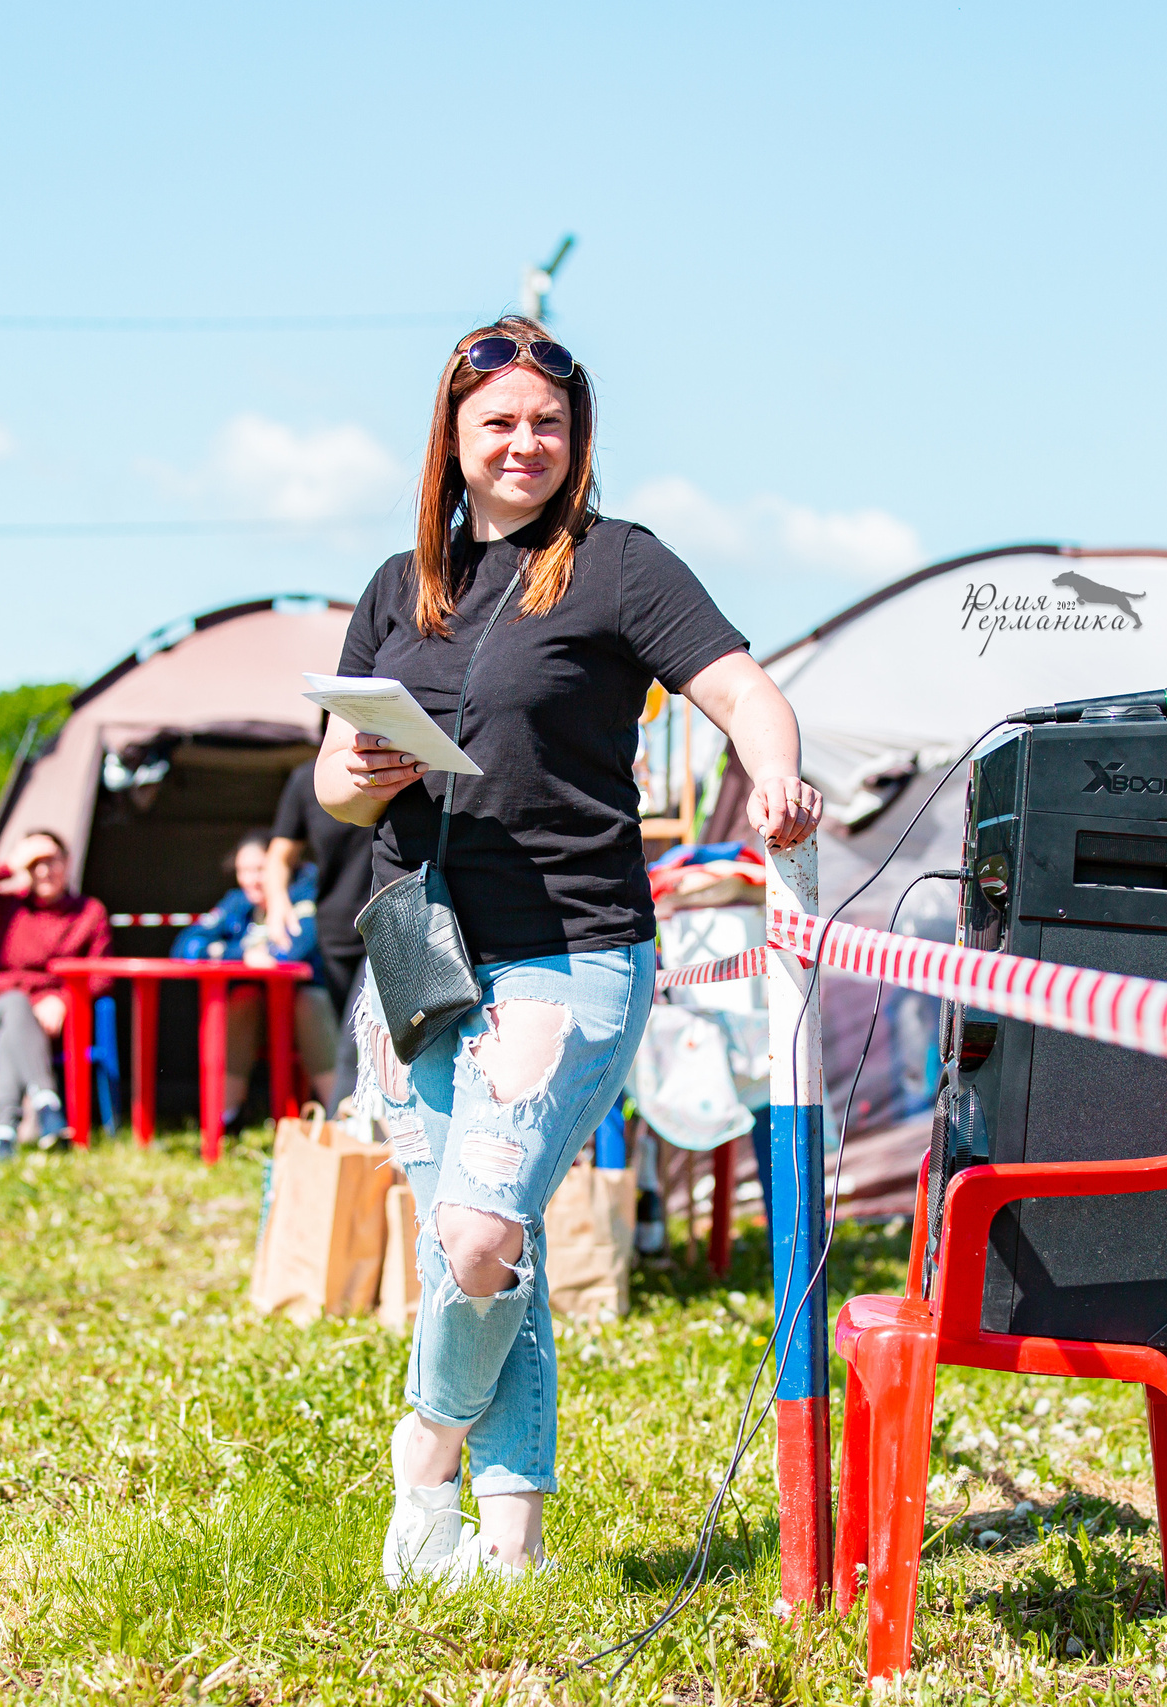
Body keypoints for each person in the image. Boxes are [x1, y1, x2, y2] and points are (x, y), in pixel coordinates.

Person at [316, 317, 822, 1584]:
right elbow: (330, 783)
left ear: (576, 439)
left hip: (569, 955)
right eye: (497, 423)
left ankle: (423, 1449)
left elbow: (746, 691)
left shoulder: (620, 567)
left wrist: (779, 778)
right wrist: (358, 772)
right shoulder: (400, 587)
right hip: (421, 958)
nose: (522, 443)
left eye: (546, 423)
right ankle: (509, 1548)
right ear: (453, 440)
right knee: (477, 1254)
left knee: (481, 1229)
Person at [0, 829, 111, 1156]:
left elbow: (101, 975)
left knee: (13, 1033)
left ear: (67, 862)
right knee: (16, 1006)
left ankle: (5, 1131)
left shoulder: (89, 913)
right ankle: (47, 1103)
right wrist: (8, 865)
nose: (45, 871)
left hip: (54, 1020)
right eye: (35, 863)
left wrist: (63, 1001)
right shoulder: (8, 907)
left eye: (52, 861)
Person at [172, 831, 339, 1119]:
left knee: (308, 1003)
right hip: (259, 1013)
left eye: (259, 870)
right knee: (243, 998)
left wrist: (221, 950)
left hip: (316, 1009)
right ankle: (225, 1120)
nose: (251, 880)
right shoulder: (237, 902)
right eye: (243, 871)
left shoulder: (306, 893)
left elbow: (290, 952)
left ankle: (345, 1118)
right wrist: (242, 955)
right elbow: (185, 947)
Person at [264, 748, 373, 1099]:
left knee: (355, 1046)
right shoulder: (308, 779)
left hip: (389, 927)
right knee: (351, 1040)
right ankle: (356, 1139)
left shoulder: (402, 769)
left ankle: (341, 1135)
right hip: (336, 931)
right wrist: (277, 902)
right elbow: (279, 856)